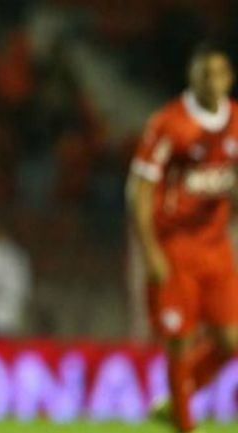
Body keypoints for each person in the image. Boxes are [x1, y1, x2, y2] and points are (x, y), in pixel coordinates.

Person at [127, 43, 238, 433]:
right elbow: (139, 188)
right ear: (192, 77)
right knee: (181, 340)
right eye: (203, 73)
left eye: (219, 73)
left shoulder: (237, 121)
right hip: (175, 247)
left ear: (229, 78)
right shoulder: (169, 123)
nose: (211, 81)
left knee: (232, 339)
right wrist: (151, 250)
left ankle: (178, 396)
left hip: (216, 246)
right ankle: (184, 424)